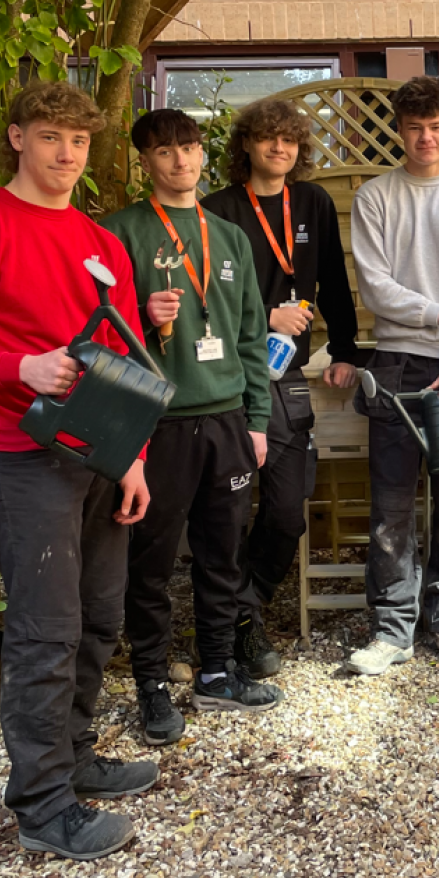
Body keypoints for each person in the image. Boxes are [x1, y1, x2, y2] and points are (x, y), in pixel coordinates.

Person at [0, 82, 155, 861]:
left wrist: (134, 459)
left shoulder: (101, 241)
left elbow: (125, 361)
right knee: (43, 634)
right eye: (53, 137)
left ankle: (76, 757)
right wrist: (19, 367)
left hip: (99, 457)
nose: (67, 154)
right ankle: (41, 804)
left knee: (98, 618)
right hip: (24, 462)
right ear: (18, 137)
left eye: (80, 142)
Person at [102, 110, 281, 747]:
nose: (181, 161)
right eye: (165, 152)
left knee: (222, 554)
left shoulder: (228, 236)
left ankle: (215, 670)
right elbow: (97, 336)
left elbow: (252, 339)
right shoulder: (119, 232)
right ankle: (150, 682)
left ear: (203, 154)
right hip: (157, 427)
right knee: (149, 563)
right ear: (144, 161)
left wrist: (256, 420)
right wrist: (144, 319)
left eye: (189, 148)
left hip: (228, 419)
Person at [346, 76, 439, 674]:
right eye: (415, 128)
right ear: (399, 130)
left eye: (436, 127)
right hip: (395, 364)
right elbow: (377, 289)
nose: (426, 138)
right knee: (390, 506)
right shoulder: (376, 197)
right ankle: (391, 630)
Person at [205, 98, 362, 671]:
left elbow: (334, 285)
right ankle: (229, 631)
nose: (279, 149)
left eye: (290, 141)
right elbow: (202, 301)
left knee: (287, 514)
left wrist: (343, 350)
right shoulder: (215, 210)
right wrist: (264, 317)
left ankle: (241, 611)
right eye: (268, 138)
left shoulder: (313, 202)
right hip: (225, 375)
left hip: (287, 376)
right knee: (223, 515)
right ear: (245, 144)